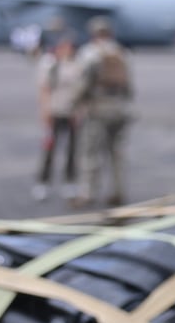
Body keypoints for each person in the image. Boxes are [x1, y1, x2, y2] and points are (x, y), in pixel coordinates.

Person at [71, 16, 133, 207]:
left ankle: (88, 194)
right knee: (116, 153)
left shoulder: (90, 53)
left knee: (90, 154)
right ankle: (118, 191)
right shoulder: (121, 52)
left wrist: (76, 103)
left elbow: (83, 83)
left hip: (98, 109)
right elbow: (129, 86)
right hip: (119, 110)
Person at [33, 35, 82, 201]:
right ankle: (43, 182)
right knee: (49, 150)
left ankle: (70, 182)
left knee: (72, 150)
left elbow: (80, 91)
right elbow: (44, 90)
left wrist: (79, 111)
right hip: (54, 111)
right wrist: (45, 111)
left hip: (71, 112)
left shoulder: (76, 65)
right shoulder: (50, 65)